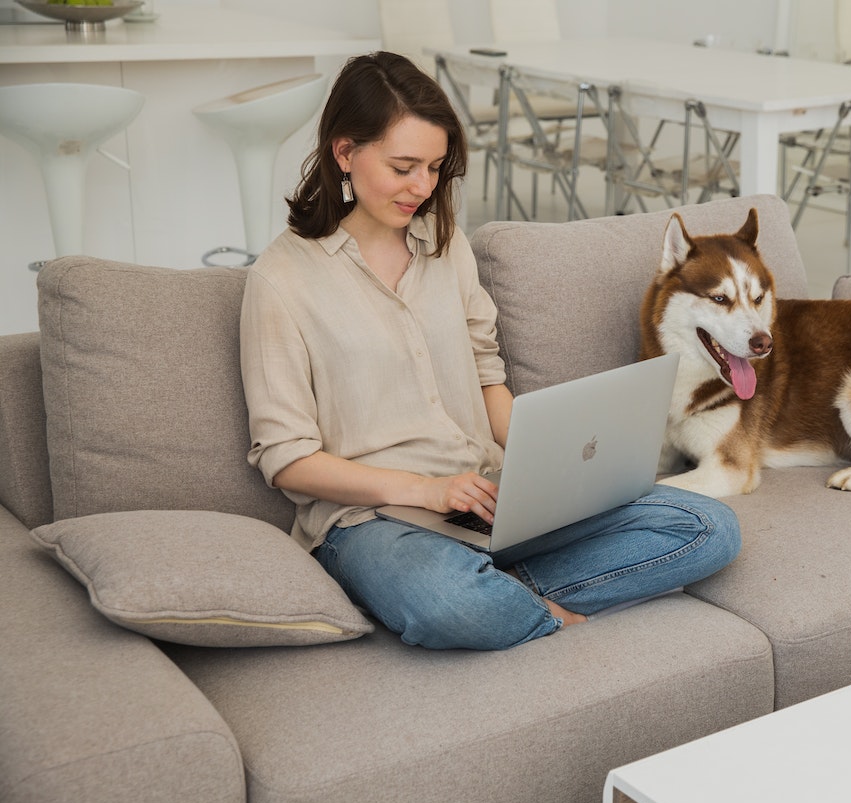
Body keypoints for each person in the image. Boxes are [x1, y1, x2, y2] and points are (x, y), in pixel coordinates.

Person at [239, 52, 740, 651]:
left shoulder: (446, 249)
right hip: (373, 525)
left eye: (434, 168)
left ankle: (500, 597)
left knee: (709, 527)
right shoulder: (281, 280)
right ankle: (511, 605)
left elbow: (486, 378)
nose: (422, 188)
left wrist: (547, 466)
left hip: (487, 496)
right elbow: (287, 460)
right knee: (447, 600)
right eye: (403, 167)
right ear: (345, 153)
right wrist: (425, 491)